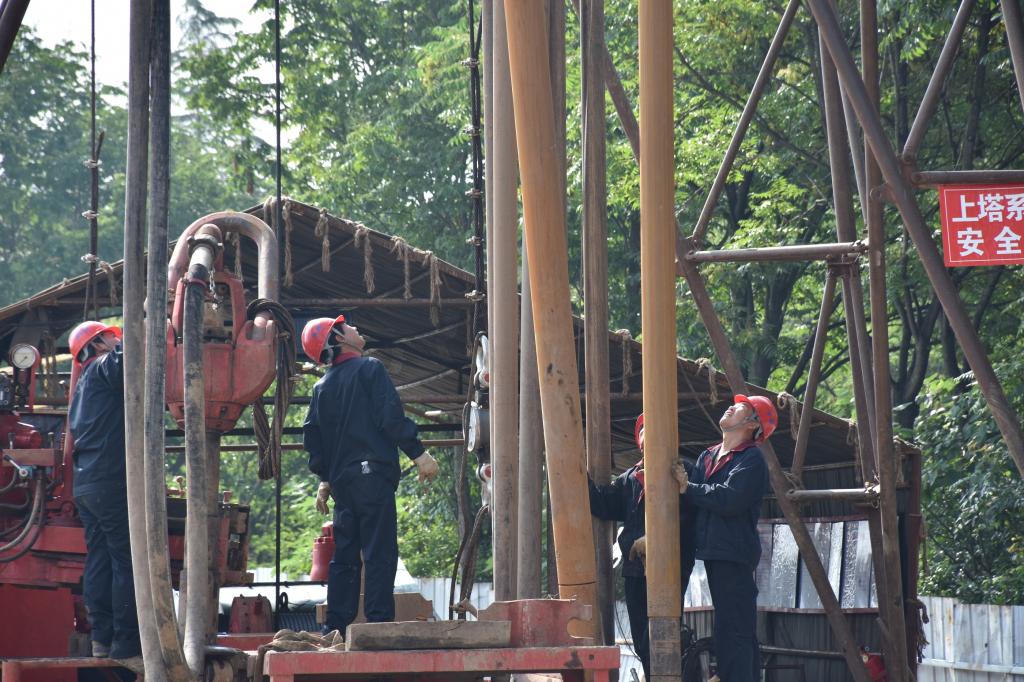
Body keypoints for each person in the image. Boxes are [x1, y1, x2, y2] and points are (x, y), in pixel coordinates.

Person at [302, 313, 439, 636]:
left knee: (344, 557)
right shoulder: (370, 369)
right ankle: (378, 626)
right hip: (373, 478)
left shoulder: (321, 388)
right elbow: (390, 418)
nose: (355, 327)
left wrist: (325, 479)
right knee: (379, 552)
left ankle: (336, 628)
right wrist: (419, 454)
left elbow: (314, 436)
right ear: (338, 338)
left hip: (343, 485)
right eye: (347, 326)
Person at [675, 394, 776, 682]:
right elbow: (692, 498)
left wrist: (689, 487)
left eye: (741, 407)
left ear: (752, 424)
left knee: (734, 629)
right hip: (714, 552)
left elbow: (729, 499)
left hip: (734, 554)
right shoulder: (708, 456)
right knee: (729, 627)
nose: (731, 407)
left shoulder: (752, 459)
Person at [588, 413, 696, 682]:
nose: (654, 433)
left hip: (670, 565)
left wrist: (657, 538)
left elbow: (692, 514)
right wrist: (575, 468)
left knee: (661, 635)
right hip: (636, 568)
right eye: (647, 429)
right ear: (640, 439)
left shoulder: (684, 472)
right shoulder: (629, 479)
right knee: (641, 640)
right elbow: (603, 504)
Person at [67, 320, 142, 662]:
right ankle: (126, 643)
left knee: (99, 557)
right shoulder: (101, 369)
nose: (117, 340)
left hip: (86, 484)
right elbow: (127, 357)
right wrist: (147, 317)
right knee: (125, 558)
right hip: (110, 481)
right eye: (112, 337)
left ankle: (102, 637)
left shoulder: (82, 387)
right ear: (97, 345)